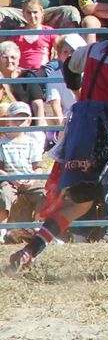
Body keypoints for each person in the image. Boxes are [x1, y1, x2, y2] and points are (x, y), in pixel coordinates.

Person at [5, 8, 108, 271]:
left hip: (82, 127)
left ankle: (30, 250)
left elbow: (69, 66)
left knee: (80, 201)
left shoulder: (94, 50)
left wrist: (78, 91)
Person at [0, 102, 47, 245]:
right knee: (4, 195)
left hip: (28, 179)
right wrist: (12, 179)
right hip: (9, 179)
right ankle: (3, 229)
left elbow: (38, 167)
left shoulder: (32, 143)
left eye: (23, 119)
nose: (20, 123)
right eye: (16, 119)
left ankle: (37, 227)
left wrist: (32, 179)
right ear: (8, 120)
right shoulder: (2, 143)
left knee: (44, 193)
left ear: (29, 121)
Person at [0, 41, 46, 128]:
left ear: (18, 60)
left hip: (26, 125)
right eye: (5, 57)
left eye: (13, 57)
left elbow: (38, 104)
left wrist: (39, 130)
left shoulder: (27, 76)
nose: (9, 61)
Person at [45, 34, 86, 128]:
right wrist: (62, 130)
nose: (69, 55)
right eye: (65, 52)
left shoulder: (91, 72)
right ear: (59, 56)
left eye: (73, 51)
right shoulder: (54, 76)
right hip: (69, 121)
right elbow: (56, 107)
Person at [9, 0, 57, 71]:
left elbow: (61, 47)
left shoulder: (49, 32)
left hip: (42, 73)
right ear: (23, 14)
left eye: (35, 12)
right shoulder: (16, 33)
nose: (32, 16)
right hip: (21, 73)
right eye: (28, 12)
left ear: (42, 13)